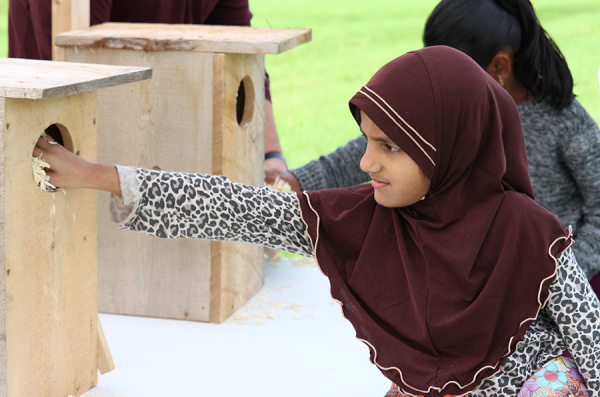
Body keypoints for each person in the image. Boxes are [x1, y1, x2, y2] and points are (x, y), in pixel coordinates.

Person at [34, 46, 599, 397]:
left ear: (448, 150)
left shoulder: (530, 232)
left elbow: (591, 340)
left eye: (389, 147)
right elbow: (236, 208)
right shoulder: (364, 217)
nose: (365, 162)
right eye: (367, 141)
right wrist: (98, 175)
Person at [269, 0, 600, 283]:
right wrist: (297, 180)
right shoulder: (444, 105)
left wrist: (553, 278)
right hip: (469, 282)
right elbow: (382, 145)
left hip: (555, 294)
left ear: (500, 66)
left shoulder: (567, 124)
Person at [8, 0, 287, 171]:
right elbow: (76, 70)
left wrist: (270, 157)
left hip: (145, 153)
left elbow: (243, 64)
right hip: (63, 150)